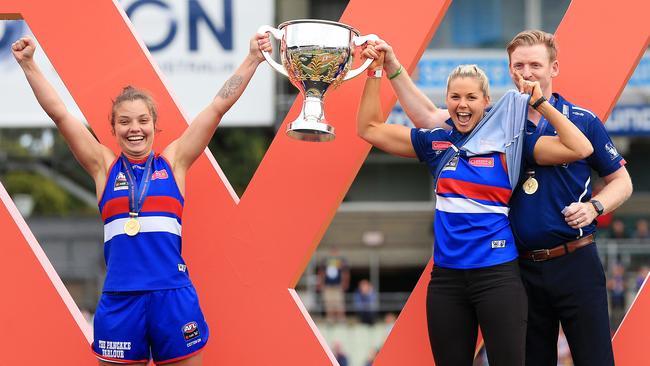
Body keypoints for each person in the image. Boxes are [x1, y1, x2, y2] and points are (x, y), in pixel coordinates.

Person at [11, 33, 272, 365]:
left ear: (154, 125)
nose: (134, 128)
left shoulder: (174, 163)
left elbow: (218, 106)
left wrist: (252, 59)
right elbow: (61, 115)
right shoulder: (104, 167)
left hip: (173, 298)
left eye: (142, 120)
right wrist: (30, 64)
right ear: (114, 128)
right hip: (121, 301)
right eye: (124, 122)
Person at [377, 29, 632, 366]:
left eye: (535, 65)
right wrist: (393, 67)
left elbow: (622, 181)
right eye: (519, 66)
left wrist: (594, 207)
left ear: (553, 68)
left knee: (595, 359)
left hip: (576, 261)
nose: (527, 73)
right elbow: (428, 116)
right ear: (510, 70)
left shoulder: (583, 120)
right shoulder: (493, 121)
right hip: (520, 267)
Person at [317, 247, 350, 323]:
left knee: (339, 303)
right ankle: (330, 319)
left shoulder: (341, 261)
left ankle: (341, 319)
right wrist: (321, 283)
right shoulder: (325, 261)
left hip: (338, 285)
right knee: (328, 303)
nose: (334, 254)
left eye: (335, 252)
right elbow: (321, 272)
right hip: (327, 286)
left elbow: (346, 272)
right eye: (332, 252)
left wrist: (345, 283)